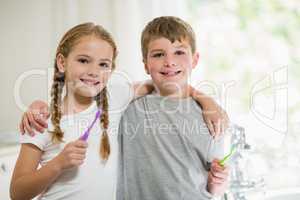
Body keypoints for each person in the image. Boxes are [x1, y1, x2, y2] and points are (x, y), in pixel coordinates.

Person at [15, 22, 228, 199]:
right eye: (83, 60)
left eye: (103, 64)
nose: (93, 71)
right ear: (62, 62)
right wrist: (57, 165)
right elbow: (17, 192)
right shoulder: (41, 121)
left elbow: (164, 82)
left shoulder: (114, 100)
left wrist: (206, 100)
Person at [116, 16, 229, 200]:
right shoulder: (129, 108)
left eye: (179, 52)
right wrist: (200, 95)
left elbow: (215, 190)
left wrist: (217, 182)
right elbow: (101, 93)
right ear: (145, 64)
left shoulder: (211, 116)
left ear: (195, 59)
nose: (169, 61)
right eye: (158, 54)